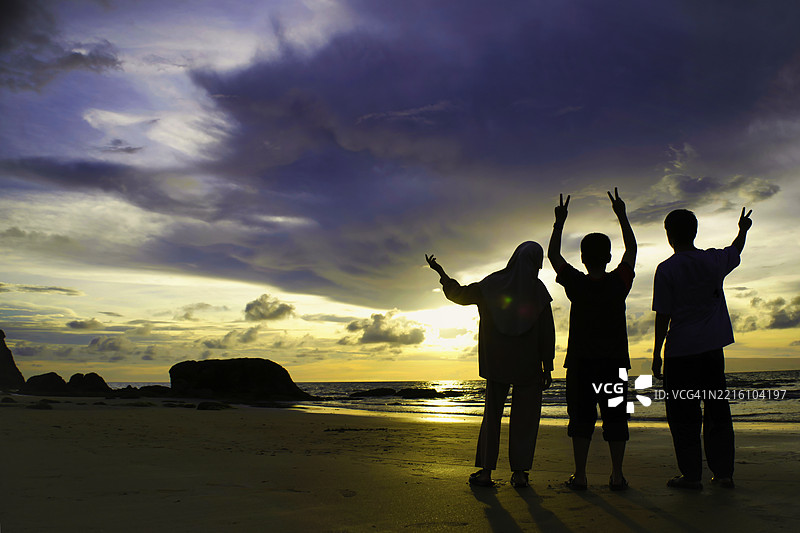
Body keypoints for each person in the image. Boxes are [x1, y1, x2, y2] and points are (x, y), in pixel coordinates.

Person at [425, 241, 555, 488]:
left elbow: (459, 294)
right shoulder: (537, 290)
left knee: (492, 417)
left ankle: (486, 472)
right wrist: (547, 366)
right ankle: (519, 474)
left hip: (496, 363)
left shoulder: (492, 284)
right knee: (525, 421)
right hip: (528, 366)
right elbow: (547, 332)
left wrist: (442, 275)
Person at [652, 207, 752, 490]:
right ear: (694, 232)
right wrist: (743, 229)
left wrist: (656, 353)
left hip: (680, 353)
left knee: (683, 416)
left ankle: (692, 475)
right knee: (717, 410)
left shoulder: (666, 269)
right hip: (710, 351)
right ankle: (723, 473)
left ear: (669, 235)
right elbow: (735, 249)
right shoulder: (712, 260)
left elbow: (663, 314)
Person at [548, 188, 637, 491]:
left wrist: (559, 223)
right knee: (616, 420)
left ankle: (581, 475)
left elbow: (554, 256)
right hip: (613, 364)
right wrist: (622, 216)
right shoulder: (618, 283)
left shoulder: (576, 284)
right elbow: (632, 252)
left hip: (582, 365)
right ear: (608, 257)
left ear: (583, 258)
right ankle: (617, 475)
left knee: (582, 420)